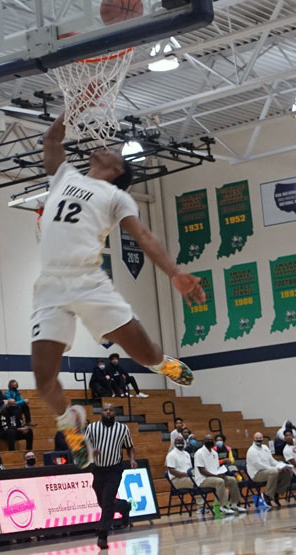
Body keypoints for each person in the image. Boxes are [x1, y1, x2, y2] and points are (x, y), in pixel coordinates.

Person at [31, 112, 205, 468]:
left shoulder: (116, 196)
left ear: (117, 171)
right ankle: (71, 424)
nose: (105, 147)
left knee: (143, 354)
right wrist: (74, 107)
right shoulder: (66, 175)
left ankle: (162, 364)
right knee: (43, 378)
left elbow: (144, 237)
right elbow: (51, 141)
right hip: (50, 284)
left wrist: (174, 272)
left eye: (114, 152)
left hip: (88, 280)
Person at [84, 403, 137, 549]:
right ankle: (124, 506)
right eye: (105, 410)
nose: (108, 412)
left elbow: (130, 446)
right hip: (98, 469)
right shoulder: (92, 428)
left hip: (114, 469)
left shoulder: (123, 429)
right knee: (102, 502)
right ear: (101, 412)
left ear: (115, 413)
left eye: (111, 410)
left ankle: (102, 536)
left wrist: (132, 459)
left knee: (107, 502)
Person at [194, 433, 245, 514]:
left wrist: (222, 473)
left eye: (211, 440)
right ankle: (223, 506)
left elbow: (217, 468)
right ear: (204, 441)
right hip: (203, 479)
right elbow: (202, 470)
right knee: (220, 481)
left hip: (215, 476)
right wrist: (216, 475)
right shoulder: (199, 453)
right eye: (207, 440)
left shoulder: (214, 453)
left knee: (232, 480)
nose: (209, 441)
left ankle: (235, 504)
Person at [246, 432, 294, 508]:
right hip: (257, 474)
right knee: (274, 472)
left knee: (288, 472)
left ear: (263, 439)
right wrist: (275, 468)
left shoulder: (265, 447)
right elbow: (259, 466)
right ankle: (267, 495)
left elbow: (272, 461)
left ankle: (276, 493)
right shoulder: (252, 451)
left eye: (260, 438)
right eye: (257, 438)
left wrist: (282, 466)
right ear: (253, 439)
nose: (259, 440)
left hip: (268, 471)